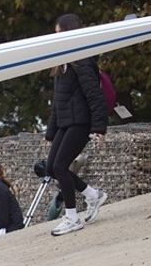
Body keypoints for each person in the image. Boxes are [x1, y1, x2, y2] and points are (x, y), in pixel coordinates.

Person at [45, 13, 109, 237]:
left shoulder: (82, 60)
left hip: (80, 122)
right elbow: (58, 101)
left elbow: (95, 96)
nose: (56, 37)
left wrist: (99, 128)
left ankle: (72, 217)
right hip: (65, 122)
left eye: (59, 33)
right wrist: (51, 131)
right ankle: (92, 195)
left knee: (60, 166)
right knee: (51, 167)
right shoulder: (61, 63)